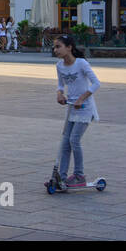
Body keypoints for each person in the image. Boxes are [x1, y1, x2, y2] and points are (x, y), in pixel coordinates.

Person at [53, 33, 100, 187]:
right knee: (65, 143)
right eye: (54, 47)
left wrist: (82, 98)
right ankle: (62, 177)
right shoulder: (59, 66)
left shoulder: (81, 63)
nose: (55, 50)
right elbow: (60, 85)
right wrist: (59, 94)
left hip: (85, 108)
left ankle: (80, 175)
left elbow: (96, 83)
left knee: (74, 140)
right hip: (72, 107)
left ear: (69, 47)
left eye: (59, 46)